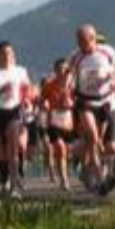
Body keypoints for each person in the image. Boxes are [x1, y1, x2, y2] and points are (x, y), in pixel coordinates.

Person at [67, 24, 115, 195]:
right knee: (92, 137)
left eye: (83, 42)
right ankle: (100, 181)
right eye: (78, 42)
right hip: (85, 102)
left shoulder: (106, 52)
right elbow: (68, 73)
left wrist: (114, 78)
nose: (81, 46)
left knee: (112, 148)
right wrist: (69, 81)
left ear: (93, 39)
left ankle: (103, 170)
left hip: (107, 102)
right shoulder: (76, 56)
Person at [0, 41, 32, 200]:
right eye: (3, 53)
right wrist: (0, 90)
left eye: (9, 52)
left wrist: (27, 100)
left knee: (13, 152)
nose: (7, 56)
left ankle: (14, 188)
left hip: (13, 112)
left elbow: (26, 89)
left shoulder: (20, 71)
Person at [41, 59, 75, 190]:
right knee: (60, 149)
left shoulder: (72, 86)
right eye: (58, 69)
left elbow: (77, 101)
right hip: (54, 122)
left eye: (64, 69)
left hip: (68, 123)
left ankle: (65, 169)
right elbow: (41, 100)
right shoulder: (49, 85)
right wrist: (44, 104)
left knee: (68, 152)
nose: (61, 72)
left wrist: (72, 104)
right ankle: (64, 180)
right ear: (55, 71)